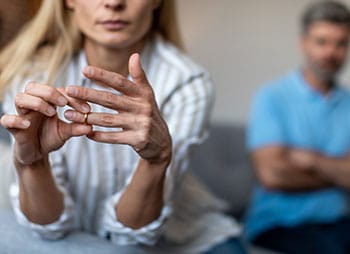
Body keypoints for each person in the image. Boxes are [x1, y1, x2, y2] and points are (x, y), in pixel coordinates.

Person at [0, 1, 244, 253]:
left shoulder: (188, 82)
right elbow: (48, 228)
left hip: (189, 243)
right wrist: (33, 164)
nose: (114, 3)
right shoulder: (31, 77)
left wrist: (156, 160)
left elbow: (131, 237)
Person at [245, 1, 350, 253]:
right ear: (303, 43)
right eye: (322, 42)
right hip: (279, 224)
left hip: (341, 221)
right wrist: (338, 173)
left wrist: (308, 159)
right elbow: (272, 175)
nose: (330, 52)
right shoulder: (271, 97)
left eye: (341, 43)